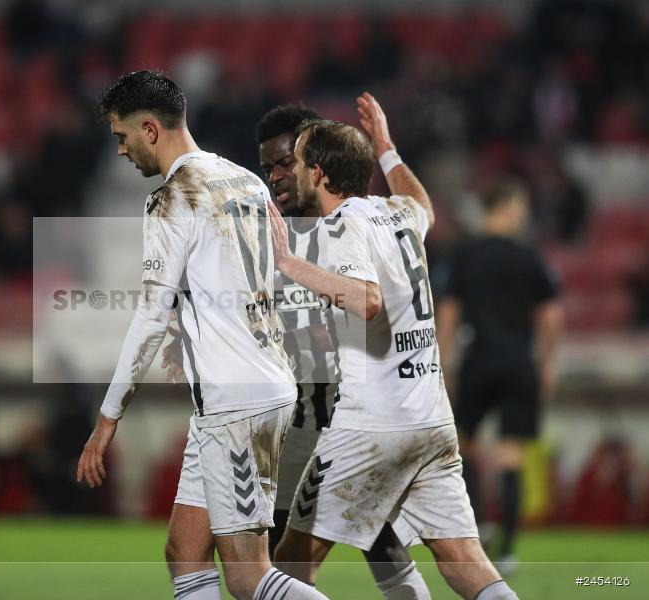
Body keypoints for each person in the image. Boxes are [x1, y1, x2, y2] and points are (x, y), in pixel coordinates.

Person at [76, 70, 329, 600]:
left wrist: (107, 419)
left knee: (248, 575)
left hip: (237, 400)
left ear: (150, 130)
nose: (121, 150)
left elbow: (150, 315)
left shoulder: (172, 199)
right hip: (248, 389)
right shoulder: (247, 181)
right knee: (185, 553)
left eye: (122, 136)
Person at [269, 93, 519, 600]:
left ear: (317, 173)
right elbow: (425, 206)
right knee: (465, 563)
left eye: (296, 161)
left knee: (289, 565)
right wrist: (387, 148)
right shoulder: (396, 212)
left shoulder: (342, 224)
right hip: (430, 420)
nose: (290, 171)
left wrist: (290, 265)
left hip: (370, 426)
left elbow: (366, 300)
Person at [256, 104, 429, 599]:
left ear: (314, 165)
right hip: (295, 425)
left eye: (286, 163)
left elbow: (419, 218)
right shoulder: (264, 237)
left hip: (353, 419)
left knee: (307, 558)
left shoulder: (359, 223)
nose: (276, 176)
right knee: (363, 545)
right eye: (268, 167)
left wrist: (387, 149)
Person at [436, 180, 562, 574]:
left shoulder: (464, 256)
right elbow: (551, 317)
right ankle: (506, 552)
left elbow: (449, 315)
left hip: (478, 361)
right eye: (520, 205)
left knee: (464, 445)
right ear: (505, 205)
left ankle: (479, 525)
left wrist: (444, 366)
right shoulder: (529, 257)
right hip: (519, 364)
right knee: (511, 455)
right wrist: (546, 363)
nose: (524, 213)